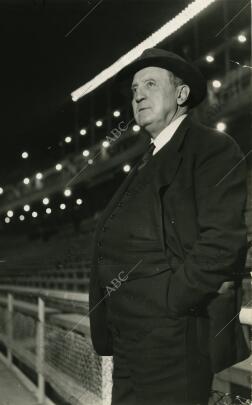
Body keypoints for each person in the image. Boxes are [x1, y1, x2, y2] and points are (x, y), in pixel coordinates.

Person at [89, 48, 250, 405]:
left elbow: (223, 242)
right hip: (129, 342)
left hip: (172, 342)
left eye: (149, 84)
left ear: (181, 94)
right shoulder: (147, 159)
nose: (138, 95)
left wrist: (170, 303)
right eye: (134, 90)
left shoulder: (212, 147)